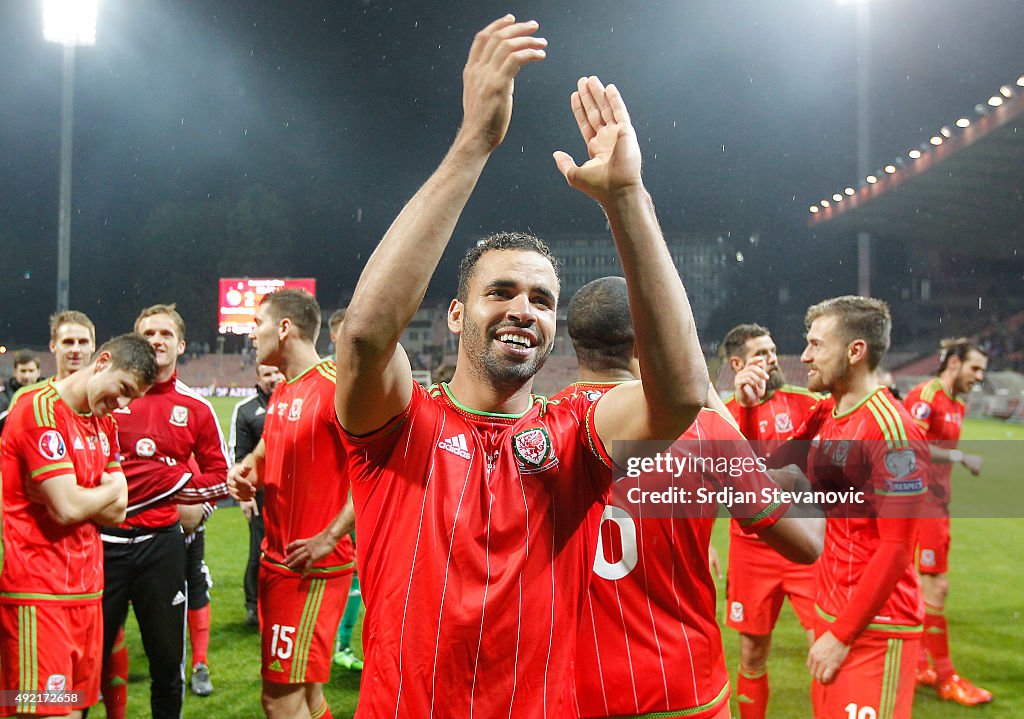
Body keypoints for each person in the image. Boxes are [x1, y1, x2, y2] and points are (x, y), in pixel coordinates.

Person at [333, 16, 708, 717]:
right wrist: (474, 142)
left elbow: (682, 394)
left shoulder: (575, 433)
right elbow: (361, 339)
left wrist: (626, 199)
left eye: (541, 298)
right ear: (454, 313)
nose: (522, 309)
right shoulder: (399, 422)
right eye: (500, 291)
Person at [555, 278, 822, 719]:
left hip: (573, 691)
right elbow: (806, 545)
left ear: (575, 341)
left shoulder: (535, 432)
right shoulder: (705, 431)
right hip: (684, 688)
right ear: (649, 336)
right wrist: (802, 483)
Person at [785, 296, 930, 719]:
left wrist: (843, 634)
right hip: (833, 616)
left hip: (876, 629)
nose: (806, 356)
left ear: (855, 351)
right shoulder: (832, 415)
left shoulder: (893, 431)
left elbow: (897, 548)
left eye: (816, 345)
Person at [0, 334, 156, 719]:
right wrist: (108, 488)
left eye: (131, 399)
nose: (121, 404)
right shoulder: (37, 410)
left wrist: (95, 493)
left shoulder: (104, 426)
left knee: (71, 711)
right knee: (43, 714)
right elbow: (68, 509)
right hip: (38, 593)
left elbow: (118, 511)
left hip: (86, 594)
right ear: (102, 362)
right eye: (122, 389)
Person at [98, 304, 230, 719]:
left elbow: (220, 475)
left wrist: (199, 506)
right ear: (136, 342)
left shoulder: (196, 408)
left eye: (165, 334)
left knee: (167, 663)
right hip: (104, 545)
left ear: (181, 345)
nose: (157, 340)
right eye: (149, 333)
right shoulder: (108, 398)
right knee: (92, 658)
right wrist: (165, 478)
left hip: (162, 548)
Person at [228, 289, 355, 719]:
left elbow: (377, 471)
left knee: (278, 700)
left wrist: (329, 536)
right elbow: (266, 453)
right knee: (309, 697)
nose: (251, 335)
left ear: (284, 328)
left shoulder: (337, 385)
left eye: (257, 324)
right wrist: (246, 470)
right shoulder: (284, 389)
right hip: (276, 562)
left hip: (310, 568)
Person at [720, 323, 821, 719]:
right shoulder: (725, 413)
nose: (773, 358)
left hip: (804, 544)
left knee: (825, 645)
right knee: (752, 652)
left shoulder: (806, 402)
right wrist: (745, 408)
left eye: (773, 349)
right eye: (761, 353)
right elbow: (734, 478)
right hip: (750, 551)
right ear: (737, 363)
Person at [904, 338, 991, 705]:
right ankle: (945, 676)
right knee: (935, 587)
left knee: (922, 586)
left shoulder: (956, 402)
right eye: (975, 369)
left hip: (936, 507)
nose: (979, 377)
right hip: (920, 505)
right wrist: (958, 456)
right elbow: (910, 445)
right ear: (954, 363)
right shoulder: (927, 395)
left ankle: (921, 664)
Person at [229, 364, 285, 627]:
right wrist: (245, 496)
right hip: (261, 493)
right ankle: (253, 606)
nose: (273, 378)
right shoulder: (247, 410)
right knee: (257, 551)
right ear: (258, 378)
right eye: (267, 375)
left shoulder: (295, 399)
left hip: (292, 494)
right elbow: (240, 455)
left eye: (276, 373)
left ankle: (281, 603)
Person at [51, 310, 97, 381]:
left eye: (83, 342)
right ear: (53, 346)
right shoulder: (34, 392)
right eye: (68, 342)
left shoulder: (108, 391)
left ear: (93, 346)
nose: (76, 350)